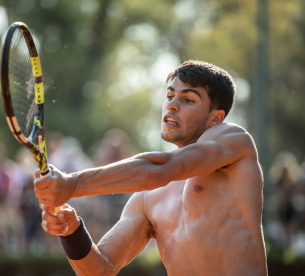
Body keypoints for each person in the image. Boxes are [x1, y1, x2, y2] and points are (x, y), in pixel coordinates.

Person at [34, 60, 268, 275]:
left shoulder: (234, 139)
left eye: (188, 99)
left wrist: (71, 184)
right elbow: (100, 270)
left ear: (215, 119)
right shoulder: (147, 198)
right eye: (169, 96)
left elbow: (159, 170)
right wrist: (71, 231)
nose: (172, 105)